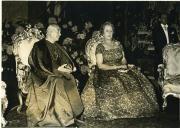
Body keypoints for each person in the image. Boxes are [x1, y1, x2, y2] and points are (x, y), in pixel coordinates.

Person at [81, 22, 159, 120]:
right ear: (102, 33)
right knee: (116, 82)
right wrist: (116, 67)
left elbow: (123, 59)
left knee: (135, 79)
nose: (109, 33)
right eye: (107, 31)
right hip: (106, 71)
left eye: (111, 31)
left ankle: (134, 108)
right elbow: (100, 65)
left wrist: (124, 65)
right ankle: (117, 110)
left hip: (120, 69)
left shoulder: (118, 44)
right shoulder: (100, 46)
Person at [26, 24, 83, 126]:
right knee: (58, 82)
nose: (60, 34)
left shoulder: (57, 46)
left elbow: (65, 60)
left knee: (70, 78)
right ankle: (63, 119)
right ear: (51, 32)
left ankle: (71, 113)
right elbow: (38, 64)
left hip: (57, 73)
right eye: (58, 31)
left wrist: (68, 67)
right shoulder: (39, 46)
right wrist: (57, 70)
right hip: (43, 76)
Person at [152, 13, 179, 79]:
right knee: (160, 69)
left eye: (166, 18)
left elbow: (176, 41)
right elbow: (156, 43)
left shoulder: (172, 29)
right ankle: (159, 83)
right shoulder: (156, 29)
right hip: (160, 52)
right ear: (160, 19)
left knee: (170, 68)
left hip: (171, 53)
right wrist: (162, 51)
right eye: (163, 17)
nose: (165, 19)